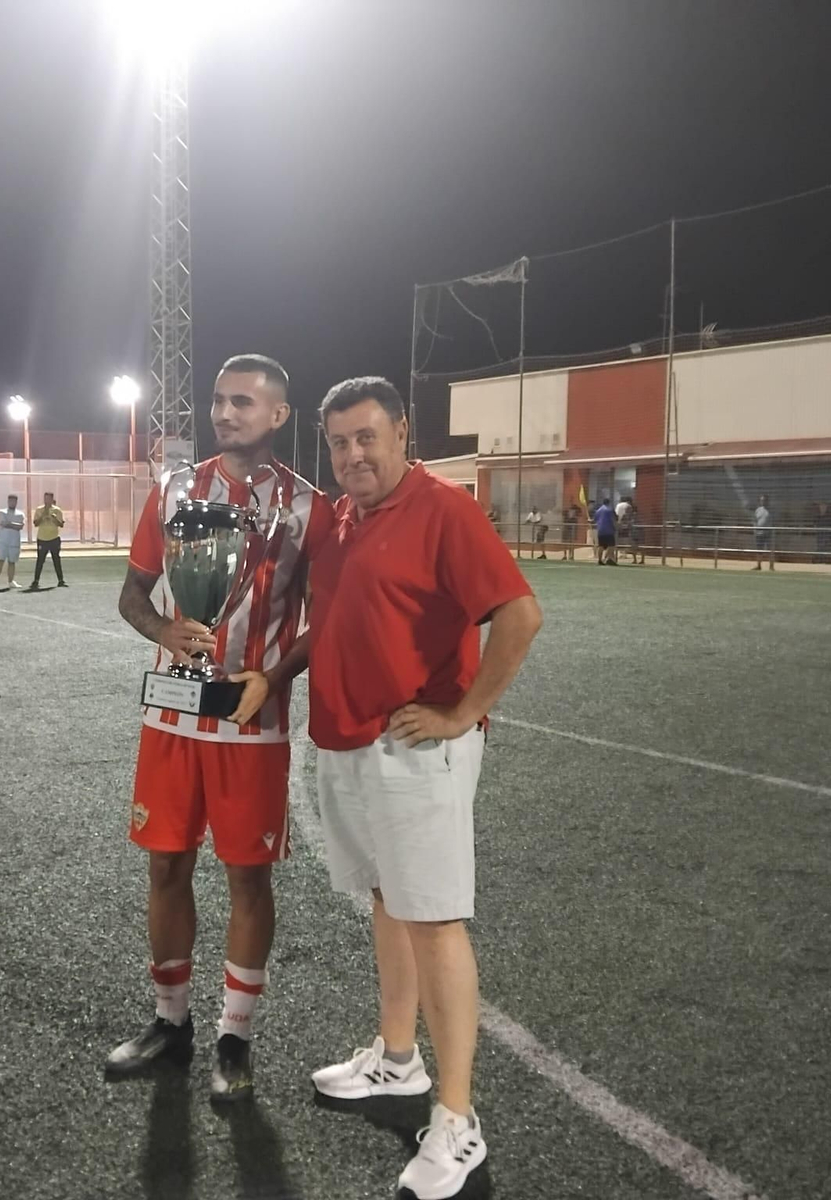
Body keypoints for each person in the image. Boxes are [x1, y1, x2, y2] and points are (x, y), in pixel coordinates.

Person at [306, 377, 541, 1200]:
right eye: (339, 443)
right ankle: (398, 1060)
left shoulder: (444, 509)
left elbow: (520, 614)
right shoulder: (342, 517)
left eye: (366, 437)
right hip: (349, 742)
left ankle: (457, 1118)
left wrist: (464, 713)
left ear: (403, 433)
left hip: (413, 747)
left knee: (435, 920)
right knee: (388, 900)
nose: (353, 455)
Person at [107, 353, 332, 1101]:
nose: (225, 413)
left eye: (243, 402)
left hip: (250, 718)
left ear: (278, 415)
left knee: (247, 876)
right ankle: (170, 1022)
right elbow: (133, 596)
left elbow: (324, 622)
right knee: (165, 867)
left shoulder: (308, 509)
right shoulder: (174, 489)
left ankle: (234, 1039)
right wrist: (163, 633)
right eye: (218, 401)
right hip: (173, 715)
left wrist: (275, 675)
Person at [25, 491, 66, 590]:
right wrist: (43, 516)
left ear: (52, 500)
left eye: (48, 499)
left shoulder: (57, 510)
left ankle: (61, 580)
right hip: (42, 539)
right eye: (45, 498)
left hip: (54, 538)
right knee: (40, 560)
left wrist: (54, 518)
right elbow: (36, 523)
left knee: (56, 559)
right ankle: (36, 581)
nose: (46, 501)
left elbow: (61, 524)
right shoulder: (39, 510)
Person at [0, 493, 24, 592]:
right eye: (10, 501)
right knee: (0, 560)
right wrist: (14, 525)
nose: (12, 503)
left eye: (14, 501)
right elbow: (3, 523)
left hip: (14, 541)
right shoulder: (2, 512)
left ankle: (11, 581)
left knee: (12, 562)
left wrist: (10, 524)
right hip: (3, 541)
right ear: (8, 502)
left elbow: (20, 526)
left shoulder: (20, 514)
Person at [593, 496, 617, 565]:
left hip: (600, 530)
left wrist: (589, 521)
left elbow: (594, 520)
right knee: (611, 545)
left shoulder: (598, 511)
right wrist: (615, 527)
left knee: (601, 546)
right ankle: (606, 558)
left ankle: (599, 560)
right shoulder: (610, 509)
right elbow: (613, 519)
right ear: (609, 503)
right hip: (609, 530)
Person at [753, 495, 773, 570]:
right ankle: (759, 566)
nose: (763, 502)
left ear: (767, 501)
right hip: (759, 533)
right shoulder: (758, 510)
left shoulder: (771, 510)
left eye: (764, 500)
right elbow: (755, 521)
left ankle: (771, 566)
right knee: (759, 550)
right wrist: (755, 530)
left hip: (768, 533)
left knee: (770, 550)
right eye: (762, 500)